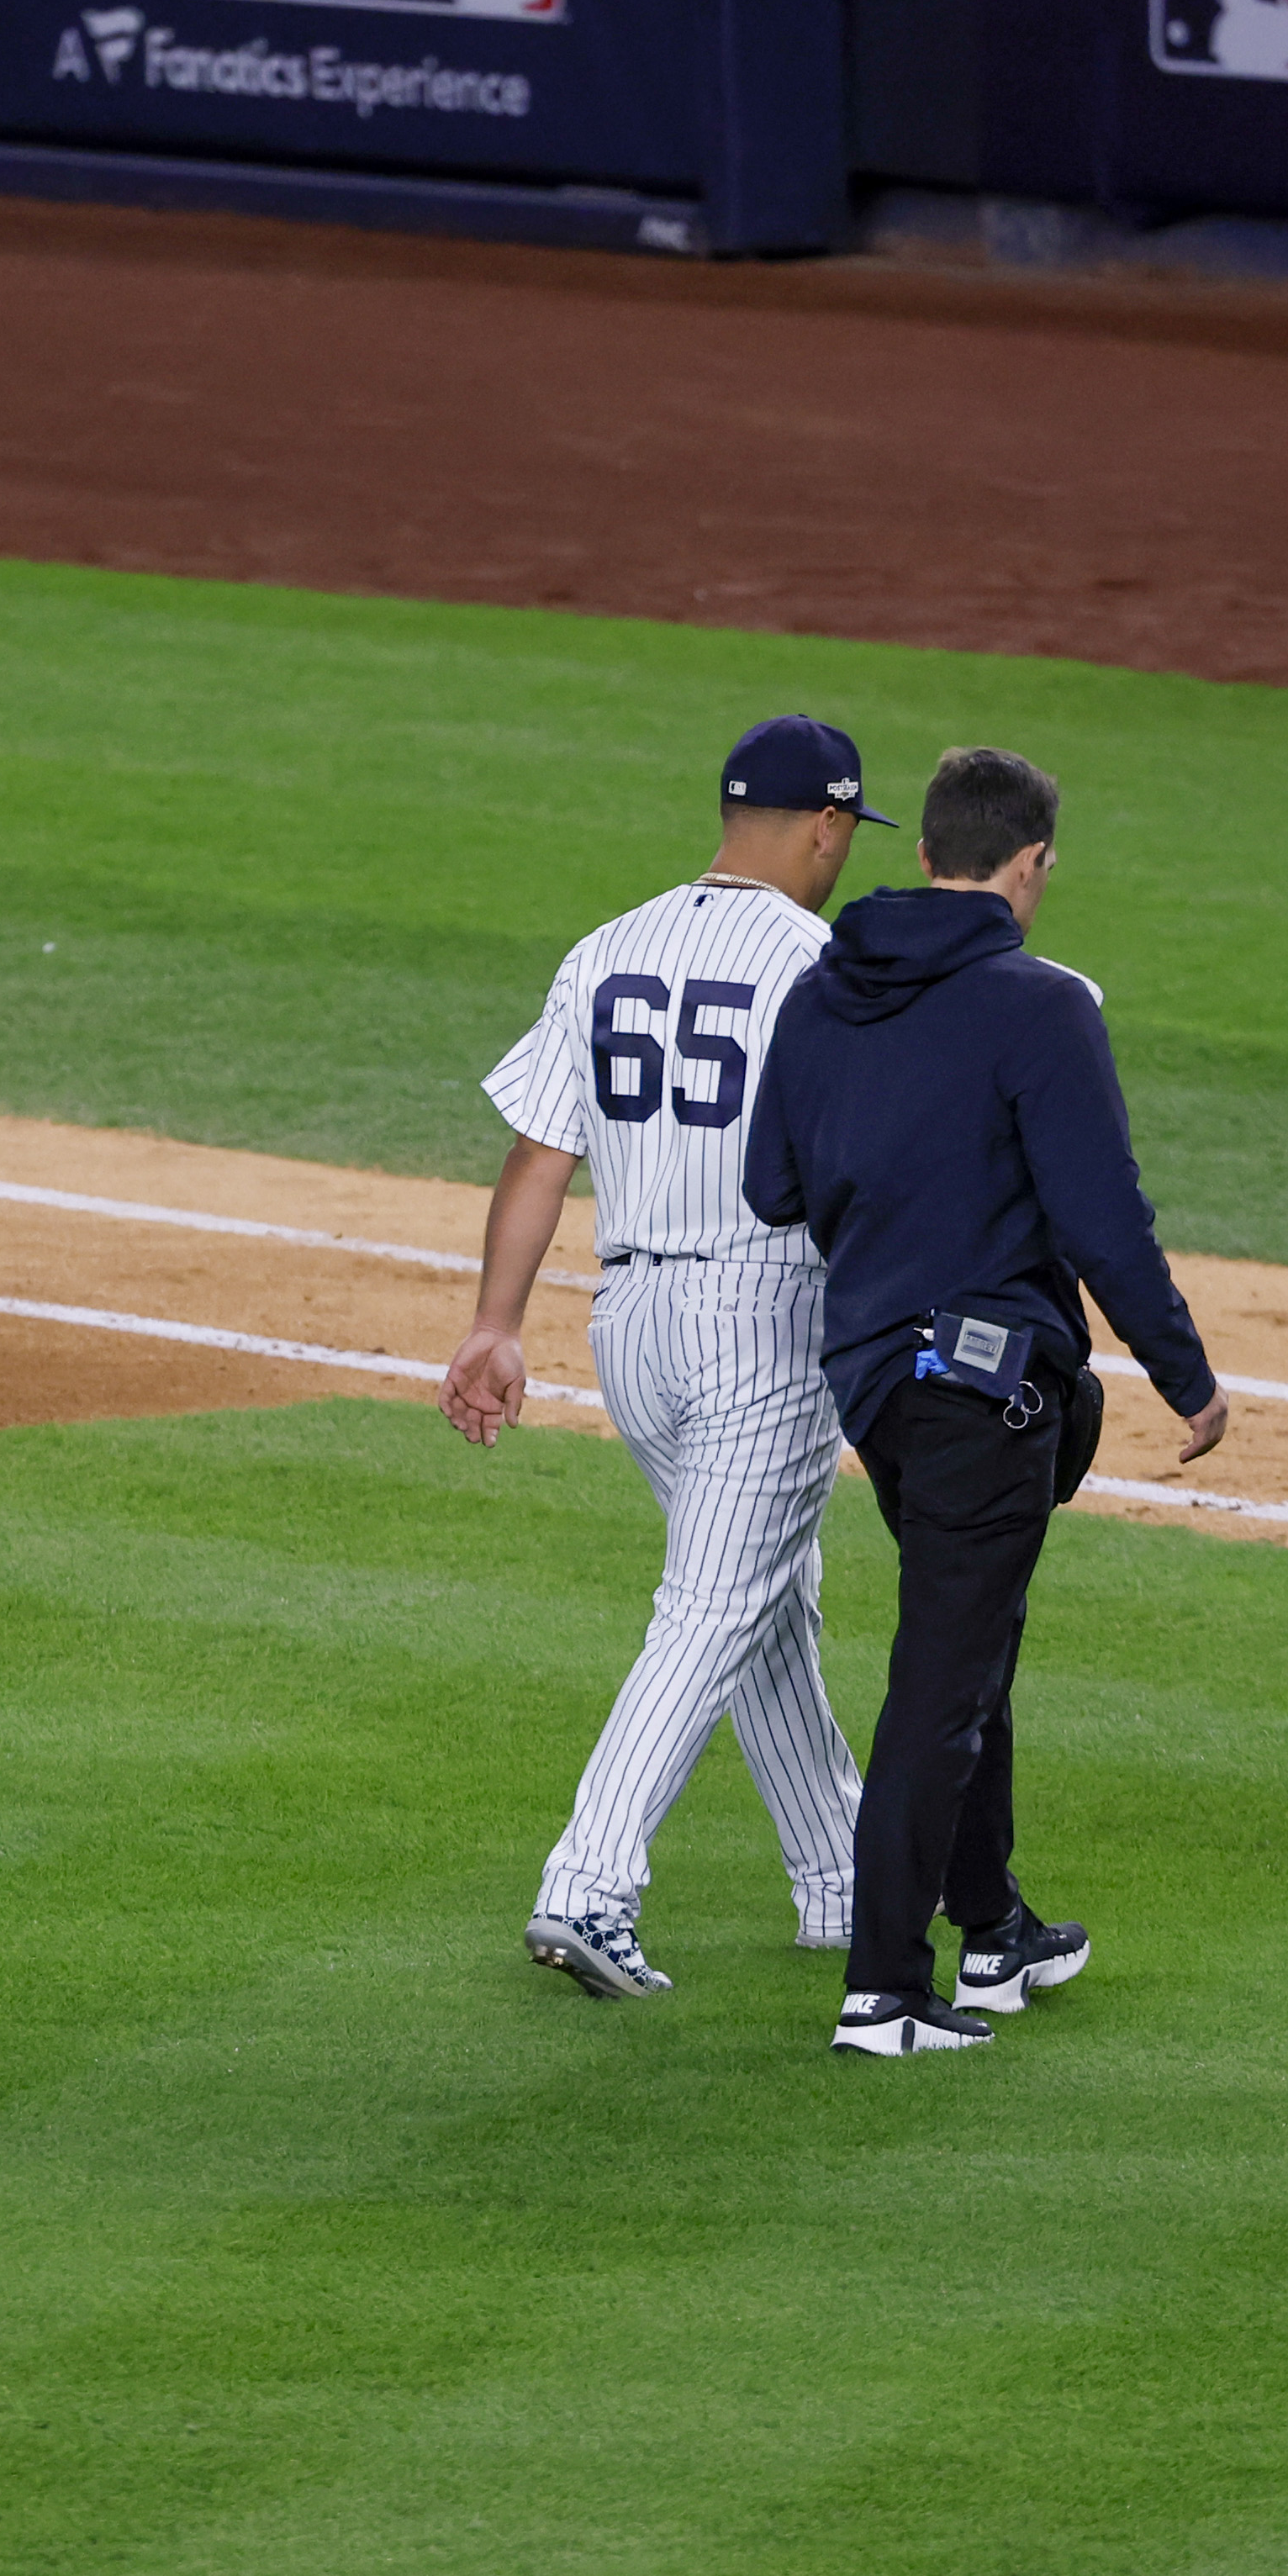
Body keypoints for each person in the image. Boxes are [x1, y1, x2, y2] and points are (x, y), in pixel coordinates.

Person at [743, 747, 1228, 2059]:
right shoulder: (1039, 1005)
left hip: (878, 1388)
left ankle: (996, 1927)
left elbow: (774, 1188)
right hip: (990, 1390)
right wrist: (1185, 1373)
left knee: (973, 1645)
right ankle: (884, 1991)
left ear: (923, 853)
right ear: (1031, 865)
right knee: (943, 1679)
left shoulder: (820, 990)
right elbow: (1102, 1221)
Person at [445, 715, 886, 1999]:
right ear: (825, 826)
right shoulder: (823, 963)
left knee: (762, 1600)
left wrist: (493, 1324)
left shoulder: (609, 948)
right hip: (761, 1320)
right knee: (712, 1607)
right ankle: (588, 1886)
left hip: (625, 1321)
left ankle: (842, 1875)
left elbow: (541, 1154)